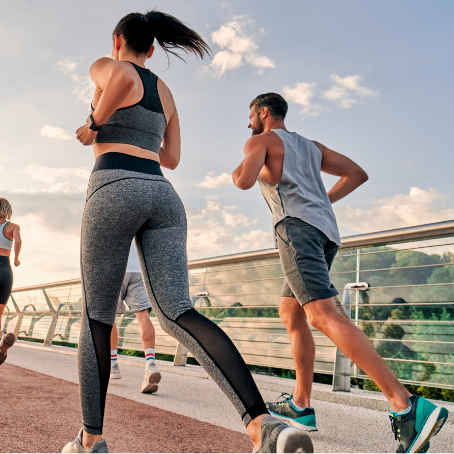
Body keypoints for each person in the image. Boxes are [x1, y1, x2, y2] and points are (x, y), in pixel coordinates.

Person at [63, 11, 313, 454]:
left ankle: (91, 439)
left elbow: (120, 77)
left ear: (118, 40)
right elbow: (172, 157)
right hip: (163, 195)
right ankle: (263, 425)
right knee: (178, 312)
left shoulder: (107, 64)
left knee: (97, 317)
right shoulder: (167, 92)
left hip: (114, 184)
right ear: (153, 48)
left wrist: (96, 123)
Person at [232, 92, 449, 454]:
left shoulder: (261, 139)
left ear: (263, 112)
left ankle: (407, 406)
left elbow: (243, 180)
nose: (248, 122)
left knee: (321, 313)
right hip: (325, 231)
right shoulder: (311, 146)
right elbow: (356, 173)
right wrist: (322, 201)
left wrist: (238, 167)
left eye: (250, 114)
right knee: (291, 310)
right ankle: (301, 404)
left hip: (295, 229)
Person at [110, 241, 161, 394]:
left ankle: (113, 365)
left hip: (115, 269)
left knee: (109, 318)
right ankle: (150, 364)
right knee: (143, 317)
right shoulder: (138, 216)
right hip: (138, 271)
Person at [0, 197, 22, 366]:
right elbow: (19, 240)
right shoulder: (13, 227)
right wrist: (16, 258)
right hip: (6, 270)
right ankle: (2, 345)